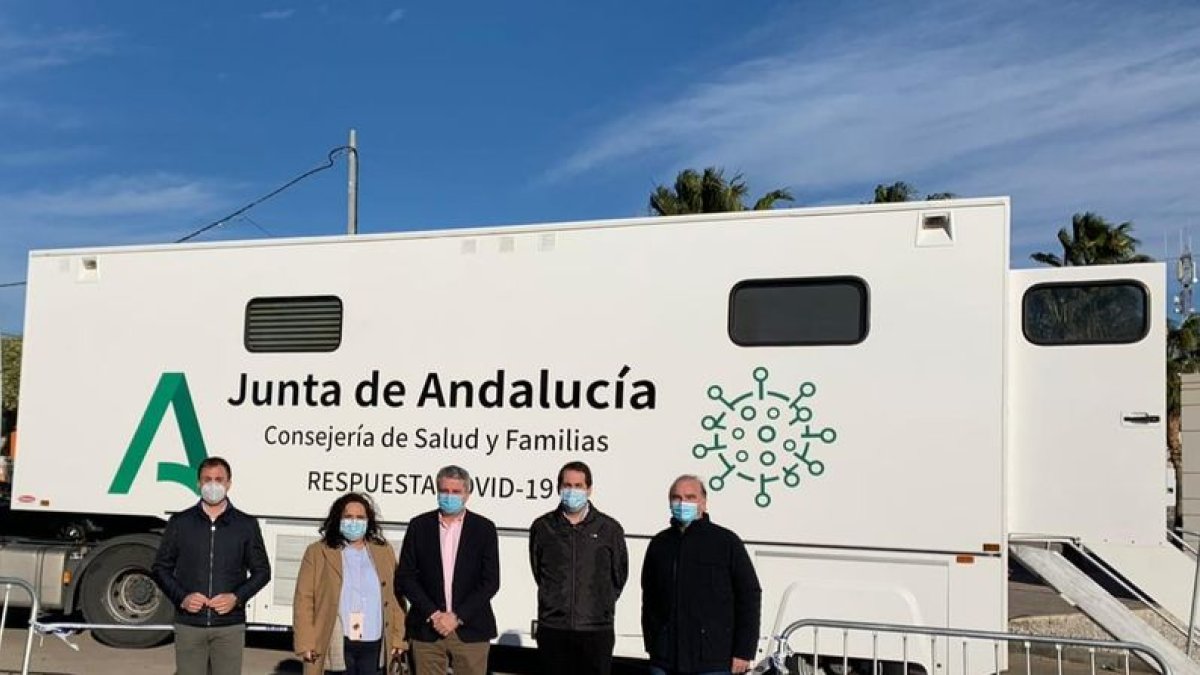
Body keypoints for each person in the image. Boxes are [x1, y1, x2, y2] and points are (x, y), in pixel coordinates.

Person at [151, 456, 271, 675]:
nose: (213, 485)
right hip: (189, 624)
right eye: (207, 479)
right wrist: (183, 598)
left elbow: (262, 572)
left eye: (219, 479)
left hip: (229, 626)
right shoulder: (180, 522)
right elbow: (160, 568)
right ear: (199, 483)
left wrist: (236, 598)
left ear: (228, 483)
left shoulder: (245, 524)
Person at [641, 475, 762, 675]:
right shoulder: (660, 544)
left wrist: (743, 651)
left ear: (703, 502)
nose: (683, 503)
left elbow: (749, 596)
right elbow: (649, 598)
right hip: (665, 659)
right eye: (677, 498)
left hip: (712, 660)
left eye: (690, 497)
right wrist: (653, 644)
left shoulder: (726, 542)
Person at [395, 465, 500, 675]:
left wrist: (457, 616)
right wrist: (434, 614)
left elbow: (490, 581)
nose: (449, 496)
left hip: (470, 629)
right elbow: (406, 577)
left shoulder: (484, 529)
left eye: (455, 491)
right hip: (427, 629)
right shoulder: (419, 526)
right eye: (444, 491)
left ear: (467, 494)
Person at [529, 461, 629, 675]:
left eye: (578, 485)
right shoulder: (543, 527)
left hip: (595, 631)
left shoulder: (609, 528)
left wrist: (599, 604)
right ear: (558, 488)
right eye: (567, 485)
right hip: (553, 629)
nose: (572, 491)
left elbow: (619, 575)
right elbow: (538, 571)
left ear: (589, 489)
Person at [293, 492, 408, 674]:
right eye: (348, 517)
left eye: (360, 517)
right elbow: (304, 599)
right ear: (338, 519)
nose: (354, 522)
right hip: (336, 640)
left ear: (368, 521)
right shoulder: (317, 552)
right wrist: (306, 642)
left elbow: (395, 598)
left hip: (374, 640)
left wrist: (398, 638)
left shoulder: (383, 551)